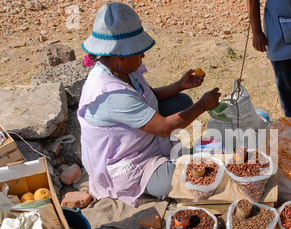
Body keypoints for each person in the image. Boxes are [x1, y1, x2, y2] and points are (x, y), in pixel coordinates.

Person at [78, 2, 221, 207]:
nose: (143, 55)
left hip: (142, 139)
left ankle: (168, 159)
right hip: (127, 160)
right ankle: (150, 179)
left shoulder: (122, 69)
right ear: (120, 55)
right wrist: (202, 106)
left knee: (181, 102)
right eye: (138, 52)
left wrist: (180, 85)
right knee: (184, 176)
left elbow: (146, 96)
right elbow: (163, 128)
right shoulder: (109, 93)